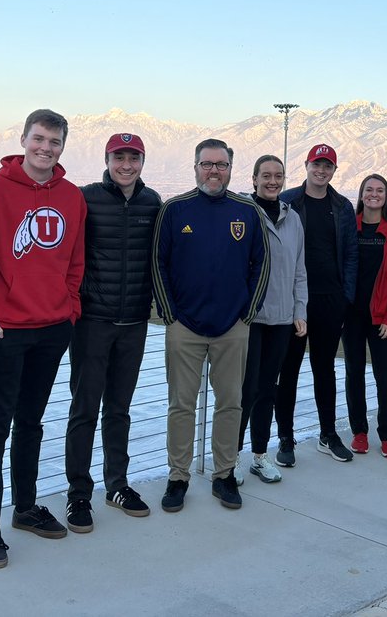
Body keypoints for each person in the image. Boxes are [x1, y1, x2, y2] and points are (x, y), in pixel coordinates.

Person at [0, 109, 86, 568]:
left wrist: (70, 310)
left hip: (52, 328)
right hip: (4, 331)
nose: (46, 147)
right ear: (23, 139)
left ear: (62, 146)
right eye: (38, 139)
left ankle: (24, 507)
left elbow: (76, 259)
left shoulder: (72, 197)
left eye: (54, 141)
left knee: (32, 423)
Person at [153, 139, 268, 512]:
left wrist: (246, 314)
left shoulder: (246, 211)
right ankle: (178, 476)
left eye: (221, 164)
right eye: (207, 164)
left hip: (232, 326)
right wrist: (170, 314)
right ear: (195, 166)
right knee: (181, 405)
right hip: (184, 326)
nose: (213, 171)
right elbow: (159, 264)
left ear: (231, 168)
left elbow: (261, 265)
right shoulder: (174, 209)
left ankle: (224, 474)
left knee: (230, 403)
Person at [64, 133, 162, 533]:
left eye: (133, 158)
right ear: (107, 159)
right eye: (119, 157)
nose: (126, 165)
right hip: (92, 323)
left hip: (134, 322)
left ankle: (116, 485)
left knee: (119, 410)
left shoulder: (152, 201)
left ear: (142, 161)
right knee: (84, 409)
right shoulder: (86, 198)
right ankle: (78, 493)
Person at [276, 144, 358, 465]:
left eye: (328, 166)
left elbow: (351, 255)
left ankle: (328, 433)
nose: (321, 170)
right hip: (296, 300)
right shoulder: (289, 202)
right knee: (289, 370)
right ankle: (286, 437)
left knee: (325, 369)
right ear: (306, 165)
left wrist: (345, 297)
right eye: (316, 164)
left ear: (334, 170)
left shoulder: (341, 206)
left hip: (329, 300)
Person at [235, 155, 308, 484]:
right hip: (248, 319)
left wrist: (300, 310)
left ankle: (260, 456)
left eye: (278, 176)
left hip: (280, 319)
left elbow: (299, 271)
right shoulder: (241, 213)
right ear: (254, 179)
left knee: (267, 389)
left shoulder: (293, 219)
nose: (272, 181)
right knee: (244, 391)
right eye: (266, 175)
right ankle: (230, 458)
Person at [343, 174, 387, 459]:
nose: (373, 194)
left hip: (382, 318)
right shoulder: (348, 227)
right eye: (369, 190)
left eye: (379, 190)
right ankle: (359, 432)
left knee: (384, 377)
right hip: (351, 317)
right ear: (361, 194)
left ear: (386, 196)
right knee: (353, 373)